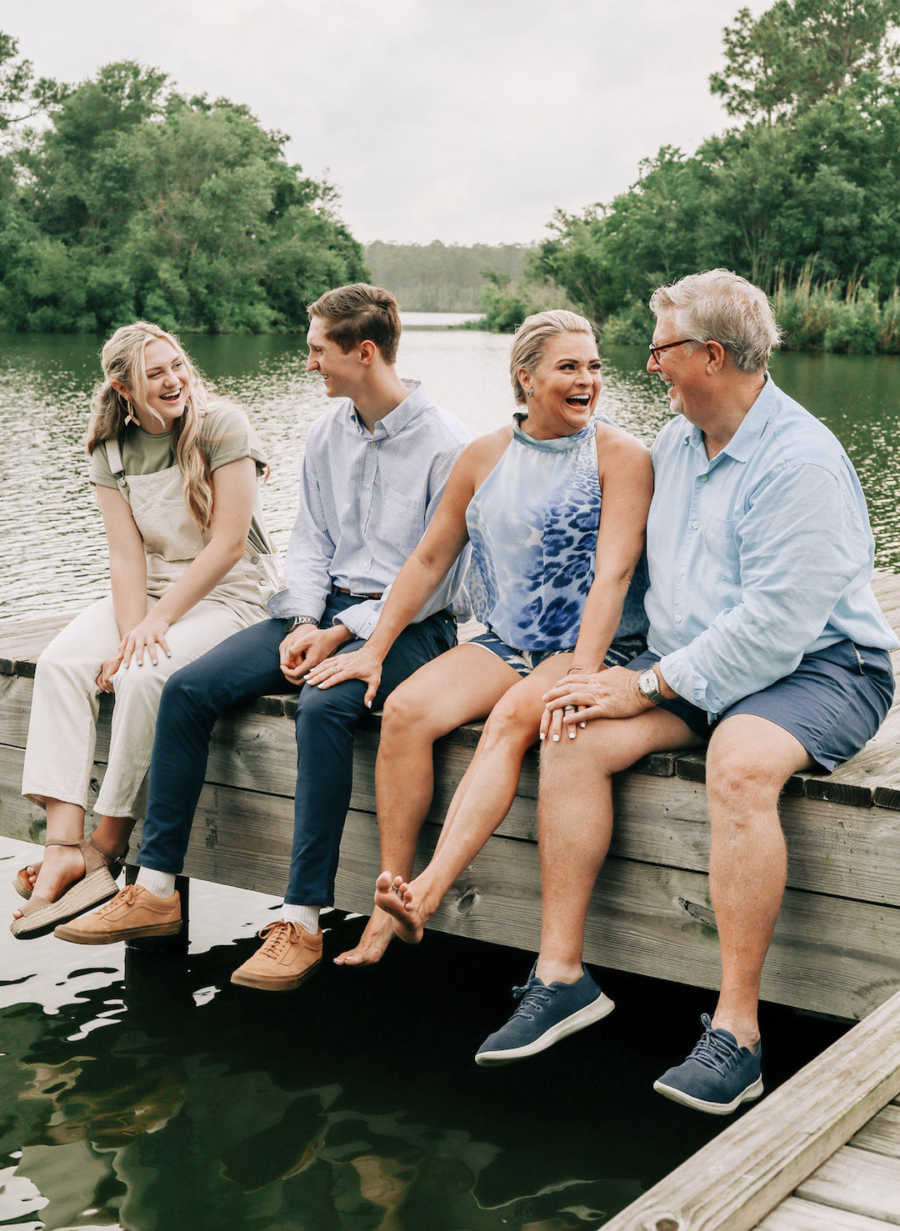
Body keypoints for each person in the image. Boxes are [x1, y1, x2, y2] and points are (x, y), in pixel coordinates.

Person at [476, 270, 897, 1111]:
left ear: (711, 354)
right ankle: (560, 976)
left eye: (662, 348)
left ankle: (737, 1032)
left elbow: (777, 628)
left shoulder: (799, 462)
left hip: (825, 666)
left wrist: (649, 684)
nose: (650, 363)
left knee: (738, 761)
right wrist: (594, 670)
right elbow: (634, 572)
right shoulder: (673, 444)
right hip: (694, 661)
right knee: (570, 725)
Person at [54, 284, 470, 992]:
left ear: (363, 353)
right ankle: (154, 886)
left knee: (324, 708)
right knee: (185, 688)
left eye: (316, 349)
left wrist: (343, 630)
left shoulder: (447, 444)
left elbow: (441, 579)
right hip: (320, 610)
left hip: (406, 626)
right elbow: (308, 543)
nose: (307, 363)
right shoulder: (326, 432)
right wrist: (306, 620)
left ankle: (303, 919)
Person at [303, 309, 651, 973]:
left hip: (595, 645)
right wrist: (372, 649)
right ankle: (390, 894)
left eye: (595, 366)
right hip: (508, 640)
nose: (588, 380)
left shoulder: (620, 455)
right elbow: (430, 560)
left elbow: (616, 571)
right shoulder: (485, 456)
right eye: (569, 367)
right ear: (526, 378)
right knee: (404, 710)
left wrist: (581, 672)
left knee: (514, 715)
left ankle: (428, 892)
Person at [12, 322, 279, 938]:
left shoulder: (222, 426)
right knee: (61, 664)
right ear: (122, 386)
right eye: (155, 372)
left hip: (231, 592)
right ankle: (61, 847)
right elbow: (127, 559)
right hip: (153, 586)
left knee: (144, 673)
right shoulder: (109, 449)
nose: (174, 380)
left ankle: (106, 843)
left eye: (177, 365)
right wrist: (132, 627)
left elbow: (231, 544)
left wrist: (150, 633)